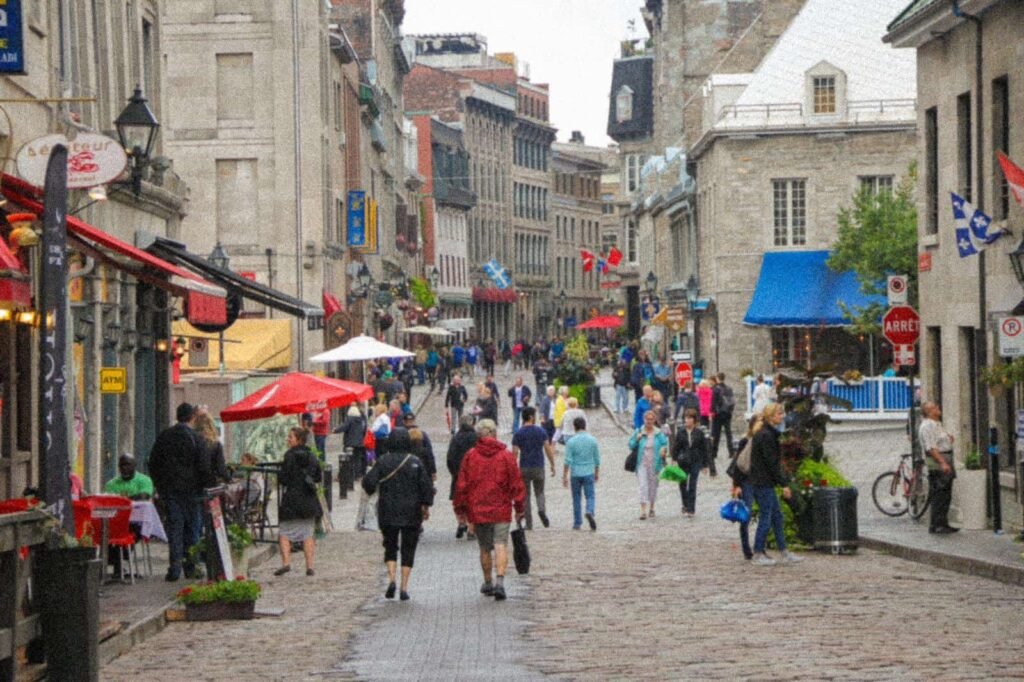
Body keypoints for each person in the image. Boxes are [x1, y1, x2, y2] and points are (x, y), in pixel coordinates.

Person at [452, 419, 525, 602]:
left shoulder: (471, 456)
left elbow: (462, 485)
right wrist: (519, 507)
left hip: (479, 509)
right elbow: (516, 482)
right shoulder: (506, 456)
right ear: (494, 433)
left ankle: (488, 581)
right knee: (501, 544)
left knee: (484, 547)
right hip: (501, 508)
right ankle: (500, 581)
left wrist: (460, 508)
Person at [362, 428, 434, 601]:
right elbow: (427, 488)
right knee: (409, 549)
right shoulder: (415, 462)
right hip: (411, 512)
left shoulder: (383, 461)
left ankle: (392, 579)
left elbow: (368, 483)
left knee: (390, 546)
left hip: (388, 510)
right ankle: (404, 587)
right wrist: (425, 506)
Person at [149, 402, 210, 581]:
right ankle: (191, 566)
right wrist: (203, 487)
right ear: (192, 417)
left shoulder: (164, 437)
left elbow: (153, 463)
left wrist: (160, 486)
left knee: (175, 528)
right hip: (192, 493)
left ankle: (174, 567)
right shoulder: (196, 439)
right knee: (192, 529)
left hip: (171, 491)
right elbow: (204, 467)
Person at [749, 403, 802, 566]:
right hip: (762, 482)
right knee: (767, 516)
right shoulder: (766, 435)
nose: (782, 416)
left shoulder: (768, 433)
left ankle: (784, 551)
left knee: (777, 516)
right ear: (771, 417)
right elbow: (771, 464)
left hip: (765, 482)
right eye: (779, 414)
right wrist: (784, 484)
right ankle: (758, 552)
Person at [275, 427, 322, 576]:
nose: (288, 439)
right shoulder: (311, 456)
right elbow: (318, 477)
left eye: (290, 437)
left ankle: (286, 563)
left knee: (284, 532)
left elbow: (283, 479)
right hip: (308, 498)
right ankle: (309, 566)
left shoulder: (289, 456)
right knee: (307, 533)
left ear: (298, 439)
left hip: (292, 499)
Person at [511, 406, 555, 530]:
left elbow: (515, 453)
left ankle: (529, 523)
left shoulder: (518, 433)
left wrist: (513, 468)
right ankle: (541, 509)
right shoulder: (540, 431)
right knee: (540, 492)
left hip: (524, 467)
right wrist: (552, 464)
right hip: (538, 466)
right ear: (531, 417)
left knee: (525, 496)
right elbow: (547, 448)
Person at [918, 401, 958, 534]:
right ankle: (937, 524)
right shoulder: (928, 425)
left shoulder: (937, 424)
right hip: (939, 460)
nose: (938, 408)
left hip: (945, 457)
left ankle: (942, 522)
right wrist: (942, 463)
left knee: (945, 492)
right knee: (940, 492)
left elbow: (939, 441)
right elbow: (931, 447)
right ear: (929, 412)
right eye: (935, 407)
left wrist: (948, 440)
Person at [628, 410, 669, 520]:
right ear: (644, 420)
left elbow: (665, 445)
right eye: (647, 419)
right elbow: (630, 445)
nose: (649, 421)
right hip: (641, 463)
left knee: (653, 486)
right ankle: (643, 510)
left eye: (651, 419)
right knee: (642, 485)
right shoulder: (639, 431)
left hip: (655, 463)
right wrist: (637, 439)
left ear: (654, 420)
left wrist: (663, 450)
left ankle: (652, 507)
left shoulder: (658, 433)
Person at [563, 417, 600, 531]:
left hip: (575, 473)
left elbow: (567, 460)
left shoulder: (571, 442)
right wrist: (596, 472)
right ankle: (589, 510)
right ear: (585, 426)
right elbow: (597, 459)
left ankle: (577, 522)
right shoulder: (593, 440)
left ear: (574, 427)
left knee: (576, 498)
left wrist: (564, 476)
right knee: (590, 495)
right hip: (588, 471)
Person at [728, 418, 758, 561]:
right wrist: (736, 485)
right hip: (746, 481)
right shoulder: (745, 441)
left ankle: (759, 546)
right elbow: (738, 465)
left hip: (759, 481)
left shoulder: (761, 440)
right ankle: (747, 548)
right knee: (746, 514)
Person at [446, 415, 479, 539]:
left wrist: (454, 473)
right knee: (473, 501)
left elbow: (450, 457)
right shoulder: (476, 437)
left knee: (458, 501)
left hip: (458, 474)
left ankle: (461, 522)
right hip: (474, 475)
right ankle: (471, 528)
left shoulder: (456, 438)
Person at [672, 410, 708, 517]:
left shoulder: (699, 433)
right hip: (683, 461)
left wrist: (705, 465)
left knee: (692, 485)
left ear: (694, 420)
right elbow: (676, 447)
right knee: (683, 484)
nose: (687, 420)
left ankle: (691, 509)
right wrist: (674, 459)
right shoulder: (681, 432)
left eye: (690, 418)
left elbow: (704, 449)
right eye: (686, 418)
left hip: (695, 461)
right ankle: (685, 504)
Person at [194, 412, 230, 485]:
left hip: (191, 484)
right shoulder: (215, 444)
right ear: (211, 425)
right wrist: (229, 479)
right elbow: (221, 469)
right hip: (209, 484)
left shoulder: (191, 440)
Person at [403, 412, 437, 482]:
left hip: (406, 468)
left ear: (404, 422)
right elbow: (429, 453)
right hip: (423, 467)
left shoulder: (402, 435)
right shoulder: (422, 434)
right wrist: (433, 471)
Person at [336, 405, 368, 478]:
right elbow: (364, 430)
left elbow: (344, 427)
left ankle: (348, 475)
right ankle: (357, 475)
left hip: (350, 443)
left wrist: (335, 430)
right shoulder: (361, 420)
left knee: (347, 459)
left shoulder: (350, 419)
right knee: (357, 460)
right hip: (360, 443)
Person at [711, 373, 736, 460]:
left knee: (716, 434)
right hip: (727, 413)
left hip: (718, 414)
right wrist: (730, 411)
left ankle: (714, 453)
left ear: (717, 378)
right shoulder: (729, 388)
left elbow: (713, 402)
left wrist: (713, 411)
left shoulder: (715, 389)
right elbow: (732, 401)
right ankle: (731, 452)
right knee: (728, 433)